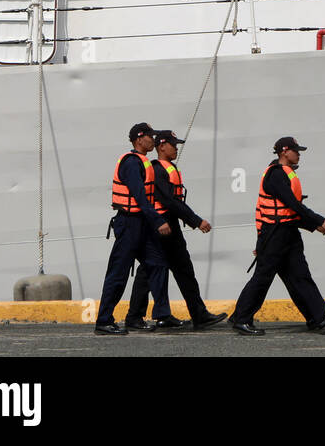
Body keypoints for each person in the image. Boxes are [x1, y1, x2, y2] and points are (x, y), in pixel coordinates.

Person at [229, 137, 325, 336]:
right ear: (284, 152)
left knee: (300, 276)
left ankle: (319, 317)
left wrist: (313, 226)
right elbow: (293, 205)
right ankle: (241, 319)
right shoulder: (276, 175)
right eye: (295, 150)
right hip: (275, 234)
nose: (298, 154)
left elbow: (288, 211)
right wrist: (318, 220)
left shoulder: (286, 173)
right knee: (263, 278)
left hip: (288, 233)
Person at [124, 129, 227, 331]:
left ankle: (198, 314)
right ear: (162, 146)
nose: (176, 148)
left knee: (183, 271)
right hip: (161, 228)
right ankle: (136, 316)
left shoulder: (168, 168)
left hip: (171, 228)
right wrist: (196, 220)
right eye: (173, 144)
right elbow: (169, 201)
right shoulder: (157, 169)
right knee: (148, 272)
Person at [94, 123, 174, 335]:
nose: (153, 140)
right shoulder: (131, 163)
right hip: (129, 223)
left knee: (157, 263)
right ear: (139, 139)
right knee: (118, 273)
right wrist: (158, 220)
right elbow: (139, 196)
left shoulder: (142, 161)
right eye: (150, 136)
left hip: (141, 222)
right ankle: (103, 321)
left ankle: (155, 315)